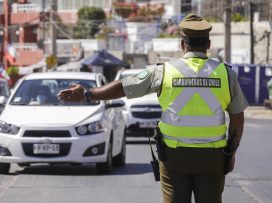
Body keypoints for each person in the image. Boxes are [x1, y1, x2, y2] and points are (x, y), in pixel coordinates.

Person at [58, 14, 248, 203]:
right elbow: (238, 119)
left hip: (174, 158)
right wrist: (230, 154)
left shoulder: (164, 71)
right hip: (212, 158)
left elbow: (124, 86)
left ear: (182, 44)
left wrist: (87, 94)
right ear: (208, 44)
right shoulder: (226, 74)